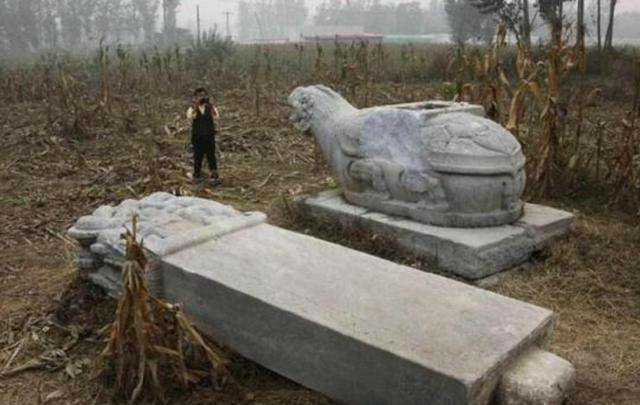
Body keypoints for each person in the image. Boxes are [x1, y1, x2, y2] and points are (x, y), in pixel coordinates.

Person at [187, 87, 222, 186]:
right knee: (198, 156)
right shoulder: (192, 108)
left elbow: (216, 117)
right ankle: (197, 176)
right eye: (199, 95)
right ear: (195, 97)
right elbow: (190, 117)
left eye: (203, 95)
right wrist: (196, 106)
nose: (201, 97)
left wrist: (210, 106)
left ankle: (214, 176)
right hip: (197, 137)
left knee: (211, 156)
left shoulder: (211, 107)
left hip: (209, 136)